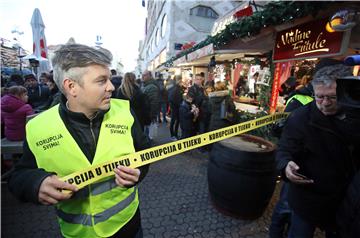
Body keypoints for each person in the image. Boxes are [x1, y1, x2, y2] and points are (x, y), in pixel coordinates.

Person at [8, 43, 150, 238]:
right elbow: (19, 175)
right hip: (76, 233)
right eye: (101, 81)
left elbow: (144, 153)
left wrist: (138, 172)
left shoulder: (125, 112)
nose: (111, 87)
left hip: (128, 227)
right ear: (71, 86)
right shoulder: (39, 127)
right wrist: (35, 184)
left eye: (109, 79)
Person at [276, 61, 357, 238]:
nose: (325, 103)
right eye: (319, 97)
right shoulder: (300, 117)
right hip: (308, 199)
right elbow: (284, 149)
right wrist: (286, 165)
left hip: (345, 200)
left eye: (332, 97)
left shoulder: (355, 114)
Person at [141, 70, 160, 140]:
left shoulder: (152, 87)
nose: (142, 76)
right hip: (145, 113)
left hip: (148, 114)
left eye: (145, 75)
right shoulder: (145, 85)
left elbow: (154, 103)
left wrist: (152, 115)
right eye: (142, 75)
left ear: (150, 76)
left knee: (148, 134)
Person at [167, 75, 183, 140]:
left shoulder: (177, 87)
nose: (181, 81)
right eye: (180, 80)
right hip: (175, 107)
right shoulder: (175, 87)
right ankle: (172, 135)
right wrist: (179, 103)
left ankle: (175, 134)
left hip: (176, 106)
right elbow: (171, 98)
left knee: (177, 121)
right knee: (173, 121)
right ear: (178, 80)